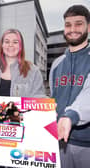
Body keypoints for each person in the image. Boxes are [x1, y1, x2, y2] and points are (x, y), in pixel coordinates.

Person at [0, 28, 46, 168]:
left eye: (15, 42)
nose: (10, 45)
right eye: (7, 41)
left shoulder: (32, 71)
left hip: (21, 138)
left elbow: (38, 96)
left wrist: (47, 105)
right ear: (1, 45)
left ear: (21, 46)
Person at [49, 5, 90, 168]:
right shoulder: (57, 64)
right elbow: (54, 99)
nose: (72, 29)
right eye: (68, 25)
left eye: (78, 23)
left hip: (86, 145)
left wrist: (71, 115)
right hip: (59, 142)